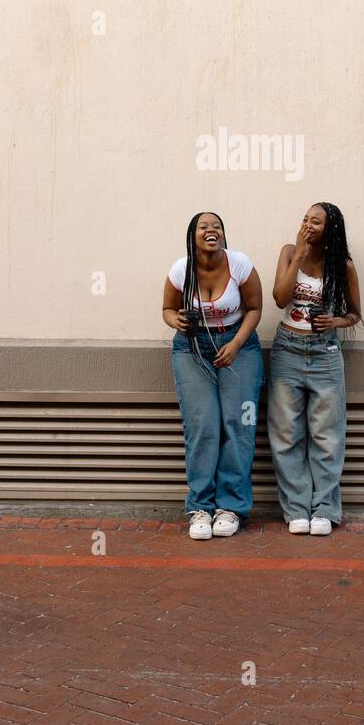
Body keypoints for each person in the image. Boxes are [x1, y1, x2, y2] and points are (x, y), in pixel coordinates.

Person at [163, 212, 264, 540]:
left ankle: (230, 508)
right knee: (203, 426)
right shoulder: (181, 270)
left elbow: (255, 308)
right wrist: (175, 321)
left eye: (217, 226)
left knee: (239, 424)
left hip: (239, 346)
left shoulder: (239, 264)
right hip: (192, 349)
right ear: (192, 236)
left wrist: (235, 344)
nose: (212, 231)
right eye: (204, 227)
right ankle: (200, 508)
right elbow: (167, 309)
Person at [267, 203, 361, 536]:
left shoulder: (343, 266)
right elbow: (279, 298)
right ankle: (296, 509)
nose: (308, 225)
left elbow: (354, 314)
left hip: (325, 353)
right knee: (286, 435)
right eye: (305, 219)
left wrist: (335, 320)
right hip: (287, 350)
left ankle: (324, 509)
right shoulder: (290, 251)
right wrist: (298, 254)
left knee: (327, 436)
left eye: (315, 222)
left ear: (330, 229)